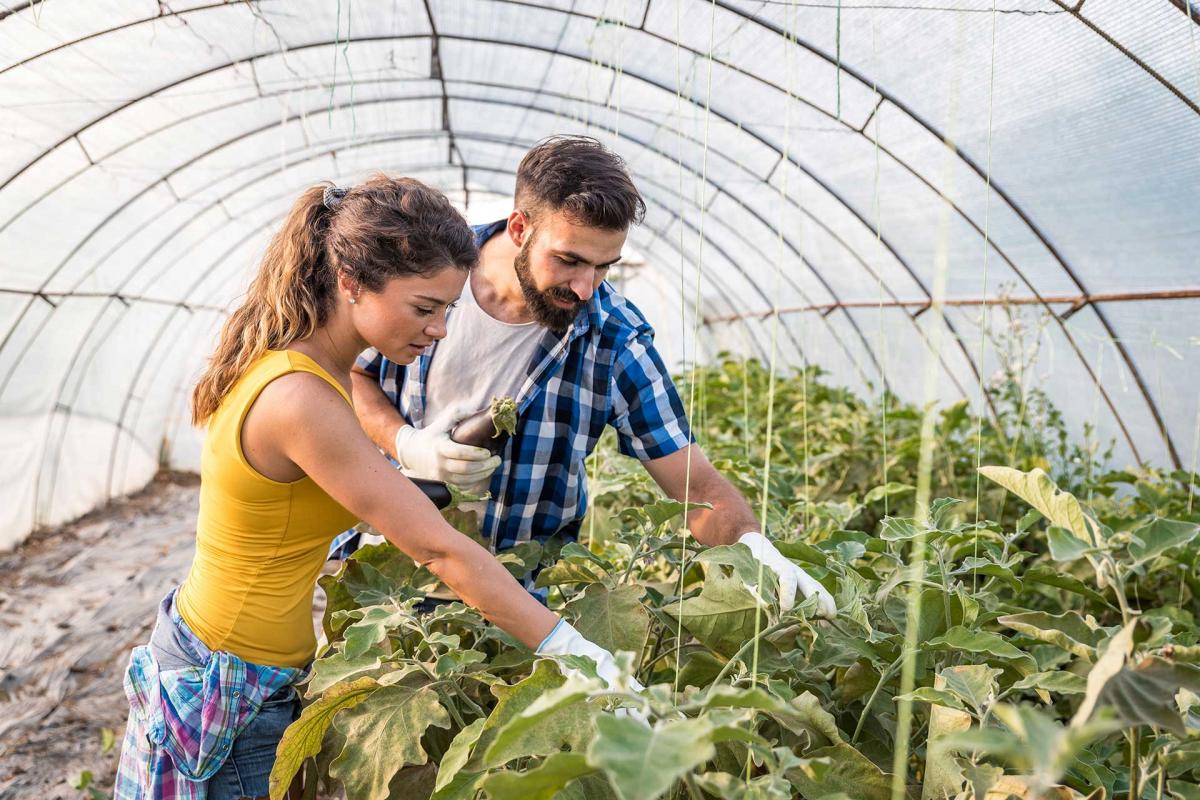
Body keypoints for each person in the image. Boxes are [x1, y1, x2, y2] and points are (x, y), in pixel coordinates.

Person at [113, 176, 629, 800]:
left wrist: (417, 465)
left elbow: (336, 497)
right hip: (227, 681)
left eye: (447, 309)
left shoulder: (310, 370)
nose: (439, 329)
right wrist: (568, 648)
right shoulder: (300, 397)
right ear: (352, 281)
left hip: (240, 664)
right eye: (423, 308)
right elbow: (436, 548)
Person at [344, 137, 837, 618]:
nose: (585, 288)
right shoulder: (427, 269)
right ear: (519, 228)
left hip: (508, 601)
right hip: (383, 575)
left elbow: (694, 484)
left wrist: (752, 547)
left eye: (604, 267)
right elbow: (350, 372)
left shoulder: (614, 338)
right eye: (569, 260)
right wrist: (406, 443)